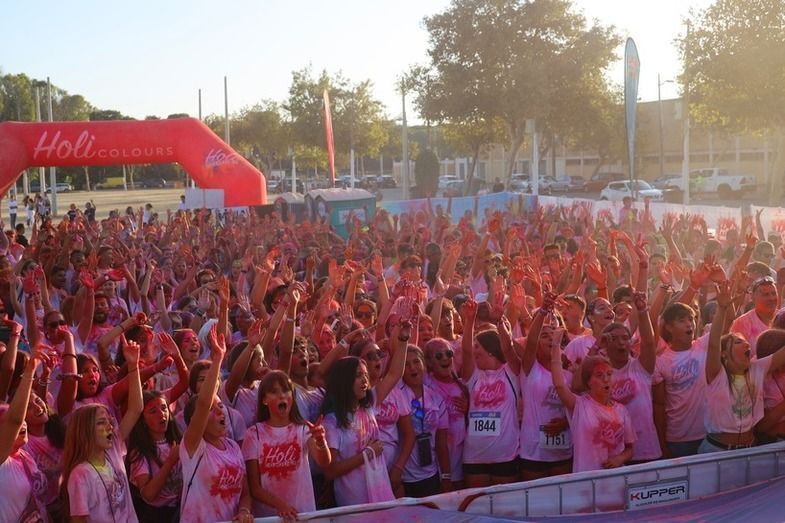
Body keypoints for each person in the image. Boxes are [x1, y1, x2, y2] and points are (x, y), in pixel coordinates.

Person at [62, 338, 144, 522]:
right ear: (85, 430)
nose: (110, 426)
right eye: (101, 423)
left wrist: (133, 366)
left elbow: (136, 409)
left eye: (109, 421)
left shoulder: (114, 447)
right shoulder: (80, 475)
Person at [179, 325, 253, 523]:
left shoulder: (234, 448)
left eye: (220, 407)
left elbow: (245, 492)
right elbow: (203, 403)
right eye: (213, 409)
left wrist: (244, 511)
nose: (220, 412)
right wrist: (218, 358)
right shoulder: (193, 447)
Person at [700, 282, 785, 452]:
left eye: (746, 341)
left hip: (750, 450)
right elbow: (714, 344)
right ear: (724, 353)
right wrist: (722, 309)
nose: (746, 344)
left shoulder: (757, 369)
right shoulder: (717, 375)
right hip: (719, 451)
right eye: (738, 342)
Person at [242, 370, 331, 518]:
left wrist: (321, 441)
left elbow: (324, 462)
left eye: (286, 390)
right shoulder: (253, 434)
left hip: (302, 515)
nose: (282, 396)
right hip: (271, 518)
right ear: (264, 400)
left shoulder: (303, 429)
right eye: (274, 392)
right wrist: (280, 505)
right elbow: (255, 488)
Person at [550, 329, 636, 472]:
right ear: (588, 382)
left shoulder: (622, 410)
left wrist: (619, 459)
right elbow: (559, 384)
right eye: (599, 375)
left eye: (609, 374)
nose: (606, 379)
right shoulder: (579, 405)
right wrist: (555, 346)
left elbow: (629, 449)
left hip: (615, 479)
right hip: (586, 478)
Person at [460, 300, 521, 488]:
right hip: (474, 456)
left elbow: (508, 348)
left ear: (491, 351)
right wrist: (469, 321)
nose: (474, 350)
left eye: (478, 346)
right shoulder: (473, 375)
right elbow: (466, 351)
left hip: (505, 455)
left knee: (504, 504)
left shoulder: (510, 372)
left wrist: (499, 321)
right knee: (477, 505)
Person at [0, 346, 47, 522]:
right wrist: (29, 371)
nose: (21, 424)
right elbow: (15, 420)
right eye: (5, 424)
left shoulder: (24, 456)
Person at [128, 390, 183, 521]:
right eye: (153, 411)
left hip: (181, 511)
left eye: (164, 408)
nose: (161, 414)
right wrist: (170, 462)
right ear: (143, 420)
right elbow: (148, 495)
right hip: (157, 517)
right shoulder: (139, 453)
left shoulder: (177, 442)